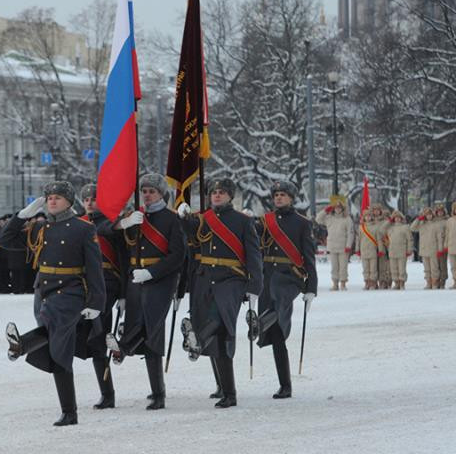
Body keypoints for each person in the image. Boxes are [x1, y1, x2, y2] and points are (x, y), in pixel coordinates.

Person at [0, 181, 105, 426]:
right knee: (58, 345)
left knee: (57, 339)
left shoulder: (83, 228)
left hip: (70, 290)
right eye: (49, 197)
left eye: (58, 197)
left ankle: (23, 344)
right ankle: (69, 412)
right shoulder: (40, 228)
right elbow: (5, 239)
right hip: (44, 290)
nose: (52, 201)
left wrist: (96, 302)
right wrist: (21, 216)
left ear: (69, 201)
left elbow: (94, 268)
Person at [177, 178, 263, 408]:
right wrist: (184, 218)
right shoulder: (202, 219)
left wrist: (255, 286)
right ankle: (229, 392)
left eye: (222, 192)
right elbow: (190, 241)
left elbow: (254, 256)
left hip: (231, 279)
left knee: (219, 320)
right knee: (221, 338)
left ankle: (197, 341)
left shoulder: (243, 222)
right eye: (213, 192)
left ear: (230, 196)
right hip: (205, 278)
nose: (216, 195)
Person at [104, 173, 186, 411]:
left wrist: (152, 273)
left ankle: (156, 391)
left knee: (153, 330)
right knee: (137, 324)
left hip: (160, 280)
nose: (147, 195)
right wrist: (123, 223)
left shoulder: (172, 220)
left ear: (162, 194)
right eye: (144, 191)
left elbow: (178, 256)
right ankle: (128, 348)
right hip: (134, 278)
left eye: (152, 191)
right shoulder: (134, 217)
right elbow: (104, 230)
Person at [255, 181, 317, 399]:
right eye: (276, 195)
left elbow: (309, 257)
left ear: (292, 197)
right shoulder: (265, 221)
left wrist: (311, 288)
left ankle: (261, 321)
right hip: (267, 275)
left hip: (290, 277)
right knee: (276, 335)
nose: (279, 198)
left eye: (283, 195)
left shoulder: (302, 223)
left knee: (279, 302)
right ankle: (285, 384)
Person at [78, 183, 126, 410]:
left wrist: (125, 293)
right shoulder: (77, 224)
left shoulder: (113, 224)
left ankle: (107, 394)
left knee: (99, 336)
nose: (89, 202)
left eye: (93, 199)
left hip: (107, 283)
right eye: (86, 199)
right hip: (82, 285)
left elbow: (124, 260)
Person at [316, 199, 354, 291]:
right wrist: (325, 210)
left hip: (343, 246)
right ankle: (335, 284)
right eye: (336, 207)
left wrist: (348, 245)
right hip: (332, 246)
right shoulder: (329, 218)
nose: (338, 209)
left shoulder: (347, 219)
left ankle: (343, 284)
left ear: (342, 208)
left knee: (343, 266)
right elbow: (318, 219)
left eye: (339, 207)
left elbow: (350, 233)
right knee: (334, 267)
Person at [410, 207, 445, 289]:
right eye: (426, 215)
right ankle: (428, 283)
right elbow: (412, 228)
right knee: (427, 269)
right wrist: (418, 219)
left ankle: (435, 283)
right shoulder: (421, 224)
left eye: (430, 215)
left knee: (434, 268)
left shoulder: (436, 224)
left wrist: (440, 249)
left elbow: (440, 238)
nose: (428, 216)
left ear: (432, 215)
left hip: (433, 249)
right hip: (424, 249)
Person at [386, 210, 412, 290]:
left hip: (402, 250)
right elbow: (381, 230)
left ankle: (402, 283)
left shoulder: (405, 227)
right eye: (395, 218)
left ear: (401, 218)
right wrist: (389, 221)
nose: (397, 219)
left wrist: (409, 250)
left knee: (401, 268)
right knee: (394, 268)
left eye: (399, 218)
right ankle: (396, 283)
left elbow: (410, 239)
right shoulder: (390, 228)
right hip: (392, 250)